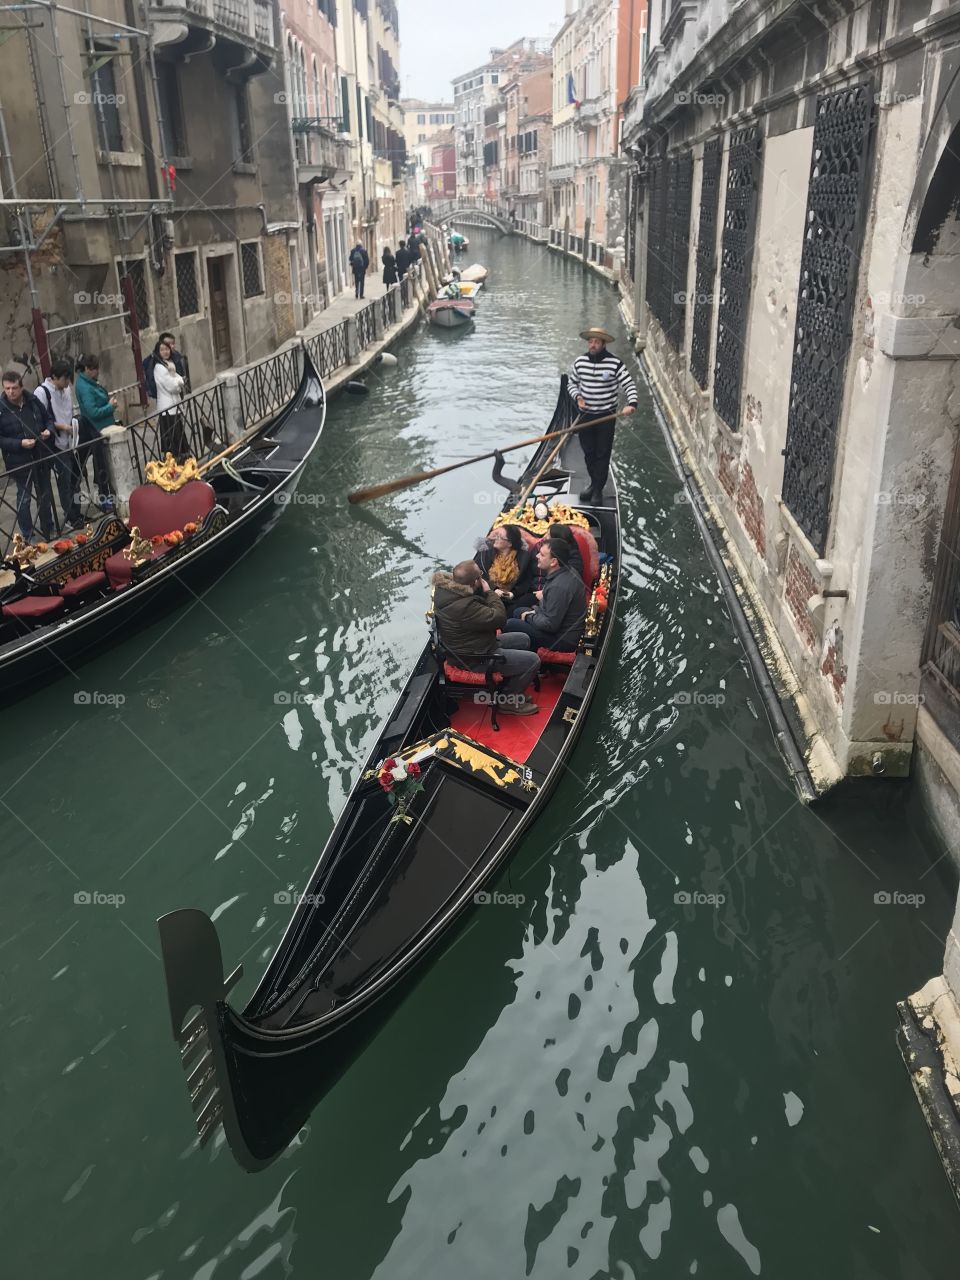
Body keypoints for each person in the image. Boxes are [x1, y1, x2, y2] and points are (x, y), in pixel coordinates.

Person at [432, 560, 540, 716]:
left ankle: (507, 688)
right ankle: (507, 700)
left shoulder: (446, 591)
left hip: (476, 644)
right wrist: (490, 592)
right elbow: (499, 619)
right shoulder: (465, 606)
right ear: (475, 581)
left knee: (523, 639)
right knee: (533, 660)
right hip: (475, 658)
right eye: (480, 576)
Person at [568, 326, 638, 505]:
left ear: (603, 343)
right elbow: (572, 384)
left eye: (596, 342)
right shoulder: (580, 362)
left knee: (602, 453)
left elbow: (629, 384)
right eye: (590, 341)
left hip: (606, 416)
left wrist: (631, 404)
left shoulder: (614, 363)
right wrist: (578, 396)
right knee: (588, 453)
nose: (592, 344)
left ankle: (597, 490)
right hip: (585, 415)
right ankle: (594, 483)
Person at [0, 369, 56, 539]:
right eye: (7, 388)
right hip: (19, 461)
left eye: (14, 388)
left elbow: (48, 419)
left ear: (21, 387)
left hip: (40, 455)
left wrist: (48, 430)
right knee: (24, 500)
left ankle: (49, 528)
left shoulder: (32, 400)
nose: (11, 392)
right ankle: (27, 535)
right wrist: (19, 443)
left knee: (45, 495)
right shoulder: (1, 409)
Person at [503, 538, 586, 653]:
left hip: (562, 640)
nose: (537, 556)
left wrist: (528, 617)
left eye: (542, 555)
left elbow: (550, 625)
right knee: (518, 611)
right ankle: (530, 652)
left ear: (553, 562)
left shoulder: (559, 586)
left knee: (510, 624)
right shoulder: (565, 571)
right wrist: (534, 612)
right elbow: (547, 608)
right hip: (558, 628)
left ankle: (524, 661)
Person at [35, 359, 82, 528]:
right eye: (64, 379)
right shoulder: (41, 393)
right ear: (54, 377)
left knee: (75, 479)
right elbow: (40, 421)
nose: (67, 382)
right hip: (53, 444)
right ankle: (70, 517)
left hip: (69, 440)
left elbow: (68, 410)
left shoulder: (66, 389)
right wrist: (61, 426)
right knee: (64, 481)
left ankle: (77, 512)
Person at [74, 354, 117, 512]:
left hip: (103, 429)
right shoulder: (84, 387)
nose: (98, 371)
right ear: (87, 369)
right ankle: (105, 498)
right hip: (95, 430)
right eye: (95, 369)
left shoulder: (89, 382)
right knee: (101, 466)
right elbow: (92, 412)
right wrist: (110, 406)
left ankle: (108, 494)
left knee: (104, 465)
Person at [474, 524, 534, 607]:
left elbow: (526, 582)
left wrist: (513, 594)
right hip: (484, 599)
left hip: (511, 603)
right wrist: (493, 590)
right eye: (496, 535)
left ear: (509, 543)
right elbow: (477, 576)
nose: (496, 538)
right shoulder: (484, 553)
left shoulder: (525, 559)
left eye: (500, 537)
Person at [152, 338, 187, 461]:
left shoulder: (168, 364)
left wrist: (178, 381)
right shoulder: (159, 368)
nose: (165, 352)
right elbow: (172, 386)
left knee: (178, 433)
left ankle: (181, 456)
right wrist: (180, 383)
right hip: (167, 407)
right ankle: (174, 459)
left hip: (174, 405)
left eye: (167, 349)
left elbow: (176, 378)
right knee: (172, 435)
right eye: (162, 350)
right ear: (158, 352)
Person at [143, 331, 187, 401]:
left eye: (173, 343)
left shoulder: (176, 355)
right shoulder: (155, 361)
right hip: (165, 396)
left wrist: (182, 381)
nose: (171, 346)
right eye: (169, 344)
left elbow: (181, 372)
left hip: (178, 393)